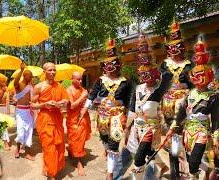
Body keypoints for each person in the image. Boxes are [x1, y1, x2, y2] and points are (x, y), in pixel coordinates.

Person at [168, 38, 219, 179]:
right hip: (187, 130)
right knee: (191, 160)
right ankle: (199, 174)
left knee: (194, 161)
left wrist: (216, 137)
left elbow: (216, 120)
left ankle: (195, 174)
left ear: (209, 76)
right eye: (195, 76)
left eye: (201, 75)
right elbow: (180, 115)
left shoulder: (213, 97)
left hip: (202, 131)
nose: (197, 78)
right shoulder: (189, 94)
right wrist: (172, 128)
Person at [82, 39, 132, 179]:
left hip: (118, 116)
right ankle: (106, 150)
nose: (110, 67)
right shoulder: (100, 80)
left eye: (113, 64)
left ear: (118, 65)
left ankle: (110, 174)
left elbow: (129, 102)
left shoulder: (125, 82)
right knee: (104, 140)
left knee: (114, 145)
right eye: (107, 64)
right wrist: (84, 110)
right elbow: (91, 95)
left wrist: (129, 119)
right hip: (102, 115)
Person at [126, 34, 173, 179]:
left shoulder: (159, 89)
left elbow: (169, 75)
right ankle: (163, 166)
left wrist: (153, 63)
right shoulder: (138, 88)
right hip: (137, 126)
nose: (145, 76)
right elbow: (132, 109)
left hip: (151, 128)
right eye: (142, 73)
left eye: (148, 73)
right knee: (146, 152)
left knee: (139, 159)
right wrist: (127, 128)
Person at [160, 22, 193, 179]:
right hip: (167, 109)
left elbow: (195, 87)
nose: (174, 50)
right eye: (171, 47)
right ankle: (174, 173)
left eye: (177, 47)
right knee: (171, 139)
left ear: (182, 47)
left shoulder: (189, 65)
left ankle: (188, 172)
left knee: (186, 141)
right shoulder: (164, 65)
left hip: (185, 109)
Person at [31, 62, 69, 180]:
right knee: (49, 147)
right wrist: (44, 104)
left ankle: (50, 167)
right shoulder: (39, 87)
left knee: (58, 144)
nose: (53, 72)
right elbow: (32, 105)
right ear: (44, 72)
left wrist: (63, 103)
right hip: (45, 119)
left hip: (57, 118)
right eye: (50, 70)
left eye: (54, 70)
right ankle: (51, 174)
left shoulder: (60, 86)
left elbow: (66, 101)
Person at [66, 71, 91, 176]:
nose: (81, 81)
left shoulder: (83, 90)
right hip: (73, 119)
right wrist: (82, 97)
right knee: (75, 139)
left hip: (83, 117)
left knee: (81, 139)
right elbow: (72, 106)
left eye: (81, 79)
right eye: (78, 79)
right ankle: (79, 162)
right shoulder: (68, 90)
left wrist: (86, 104)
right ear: (72, 79)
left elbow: (88, 102)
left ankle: (74, 152)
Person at [13, 62, 35, 160]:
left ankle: (27, 152)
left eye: (31, 76)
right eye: (29, 76)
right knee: (21, 132)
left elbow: (33, 97)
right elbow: (15, 82)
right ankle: (17, 149)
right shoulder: (19, 85)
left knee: (29, 131)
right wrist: (21, 70)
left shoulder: (30, 86)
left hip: (29, 111)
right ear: (25, 76)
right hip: (20, 111)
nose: (31, 78)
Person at [0, 78, 12, 151]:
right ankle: (5, 143)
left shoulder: (7, 90)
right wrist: (2, 91)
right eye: (2, 82)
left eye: (4, 82)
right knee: (3, 126)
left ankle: (5, 140)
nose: (4, 83)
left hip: (5, 109)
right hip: (0, 109)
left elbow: (11, 98)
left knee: (4, 126)